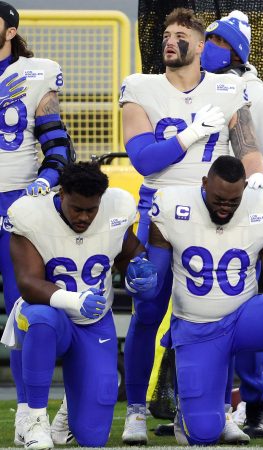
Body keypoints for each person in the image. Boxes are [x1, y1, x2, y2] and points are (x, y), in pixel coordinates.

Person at [119, 8, 263, 445]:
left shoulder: (228, 87)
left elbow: (249, 149)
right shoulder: (141, 87)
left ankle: (219, 410)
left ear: (202, 46)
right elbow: (144, 159)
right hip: (162, 210)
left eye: (180, 34)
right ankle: (135, 411)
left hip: (214, 211)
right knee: (148, 311)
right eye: (166, 34)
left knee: (219, 312)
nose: (170, 40)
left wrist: (256, 178)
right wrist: (188, 135)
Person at [130, 155, 263, 447]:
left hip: (245, 319)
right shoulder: (170, 204)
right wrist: (140, 279)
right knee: (203, 434)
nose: (225, 207)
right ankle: (189, 414)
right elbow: (156, 274)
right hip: (197, 327)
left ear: (244, 188)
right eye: (219, 198)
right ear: (204, 184)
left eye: (233, 201)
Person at [1, 162, 152, 449]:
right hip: (46, 313)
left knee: (93, 437)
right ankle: (33, 420)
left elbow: (129, 251)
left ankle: (69, 411)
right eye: (77, 209)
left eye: (91, 210)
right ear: (62, 194)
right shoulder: (31, 213)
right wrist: (74, 300)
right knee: (42, 320)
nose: (84, 216)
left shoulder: (116, 207)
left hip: (94, 321)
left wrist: (138, 269)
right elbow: (28, 283)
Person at [199, 10, 263, 438]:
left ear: (237, 52)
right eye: (210, 39)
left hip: (239, 219)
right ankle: (202, 403)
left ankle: (254, 403)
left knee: (243, 312)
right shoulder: (192, 88)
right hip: (199, 217)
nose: (209, 48)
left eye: (219, 42)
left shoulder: (262, 97)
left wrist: (261, 218)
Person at [0, 2, 74, 445]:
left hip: (17, 205)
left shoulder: (34, 74)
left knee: (23, 311)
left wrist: (45, 182)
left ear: (9, 30)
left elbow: (58, 146)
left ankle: (30, 416)